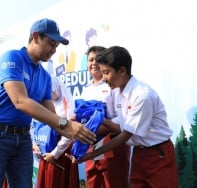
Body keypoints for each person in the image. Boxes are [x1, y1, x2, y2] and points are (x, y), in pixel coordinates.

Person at [0, 18, 96, 188]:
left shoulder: (45, 77)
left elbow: (52, 118)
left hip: (23, 139)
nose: (54, 50)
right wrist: (65, 124)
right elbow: (20, 101)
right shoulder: (12, 58)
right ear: (35, 37)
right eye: (51, 43)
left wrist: (76, 135)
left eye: (56, 46)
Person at [73, 46, 179, 187]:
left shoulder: (142, 95)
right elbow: (120, 124)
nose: (104, 78)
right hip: (139, 154)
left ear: (122, 71)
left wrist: (91, 154)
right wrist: (100, 120)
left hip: (157, 153)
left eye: (106, 73)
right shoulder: (116, 92)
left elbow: (125, 135)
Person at [80, 46, 129, 188]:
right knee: (94, 182)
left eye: (98, 59)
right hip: (90, 146)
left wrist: (99, 126)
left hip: (111, 145)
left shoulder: (113, 86)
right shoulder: (86, 90)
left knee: (113, 183)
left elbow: (121, 119)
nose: (94, 63)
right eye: (90, 60)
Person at [33, 75, 79, 188]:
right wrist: (35, 145)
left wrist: (55, 153)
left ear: (57, 88)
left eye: (50, 91)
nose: (47, 94)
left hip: (60, 153)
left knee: (58, 182)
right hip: (46, 154)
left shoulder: (66, 106)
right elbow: (34, 126)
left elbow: (69, 134)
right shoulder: (44, 103)